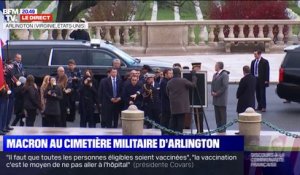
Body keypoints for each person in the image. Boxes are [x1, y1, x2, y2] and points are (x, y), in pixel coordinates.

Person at [166, 68, 196, 134]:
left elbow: (167, 93)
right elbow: (193, 85)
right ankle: (179, 136)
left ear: (173, 73)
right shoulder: (183, 81)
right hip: (182, 106)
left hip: (173, 105)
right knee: (180, 121)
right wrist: (194, 76)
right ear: (179, 73)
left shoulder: (169, 82)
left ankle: (171, 135)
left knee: (173, 120)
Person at [211, 62, 229, 134]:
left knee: (222, 115)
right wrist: (212, 91)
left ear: (219, 66)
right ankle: (218, 128)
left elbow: (224, 86)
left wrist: (217, 93)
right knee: (217, 115)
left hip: (221, 98)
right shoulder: (215, 74)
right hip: (215, 98)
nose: (214, 67)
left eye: (215, 65)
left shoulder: (224, 75)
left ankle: (223, 129)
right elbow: (212, 84)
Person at [191, 62, 204, 133]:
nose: (197, 69)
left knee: (200, 115)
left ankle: (200, 130)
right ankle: (198, 129)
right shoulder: (192, 75)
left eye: (198, 68)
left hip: (201, 98)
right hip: (193, 98)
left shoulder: (202, 75)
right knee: (196, 115)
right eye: (195, 68)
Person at [160, 69, 173, 135]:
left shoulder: (169, 81)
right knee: (165, 119)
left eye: (171, 73)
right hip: (166, 104)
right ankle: (164, 133)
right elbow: (166, 93)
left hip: (169, 104)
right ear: (165, 74)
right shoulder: (164, 82)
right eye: (170, 73)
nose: (171, 74)